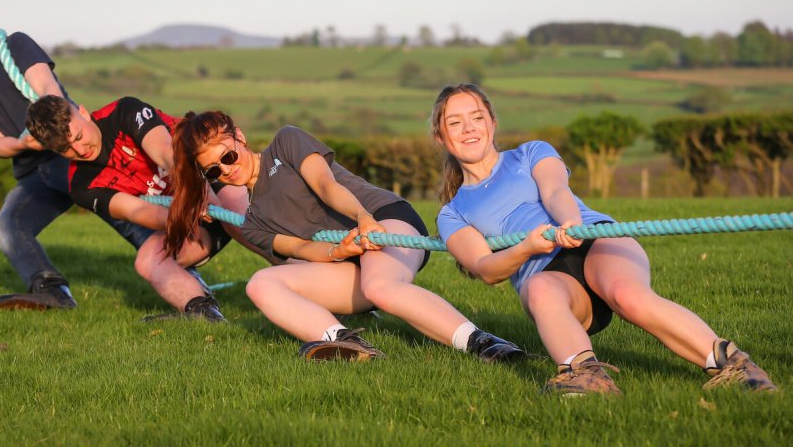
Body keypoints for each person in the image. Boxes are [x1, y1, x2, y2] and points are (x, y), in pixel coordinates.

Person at [430, 83, 777, 395]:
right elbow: (486, 268)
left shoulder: (531, 152)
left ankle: (734, 365)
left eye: (476, 117)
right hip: (545, 276)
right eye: (455, 122)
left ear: (492, 123)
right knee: (537, 289)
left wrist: (569, 222)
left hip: (593, 238)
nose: (469, 128)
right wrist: (526, 247)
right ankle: (585, 376)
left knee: (627, 295)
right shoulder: (452, 213)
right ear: (441, 137)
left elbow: (555, 190)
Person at [163, 111, 525, 362]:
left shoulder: (286, 142)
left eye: (228, 155)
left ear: (239, 137)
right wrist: (340, 250)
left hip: (384, 221)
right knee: (260, 284)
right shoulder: (253, 223)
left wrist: (362, 218)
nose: (228, 169)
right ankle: (346, 343)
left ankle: (479, 342)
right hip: (347, 257)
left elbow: (326, 185)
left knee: (380, 287)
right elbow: (302, 248)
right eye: (214, 170)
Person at [0, 0, 151, 310]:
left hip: (69, 154)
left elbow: (48, 88)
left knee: (118, 209)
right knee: (8, 226)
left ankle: (177, 269)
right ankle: (52, 291)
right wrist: (23, 143)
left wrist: (50, 130)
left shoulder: (16, 45)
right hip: (34, 172)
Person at [26, 95, 262, 321]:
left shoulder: (124, 111)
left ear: (83, 113)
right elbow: (138, 212)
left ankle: (292, 271)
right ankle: (203, 312)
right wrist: (186, 212)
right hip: (189, 217)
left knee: (237, 221)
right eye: (65, 149)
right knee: (147, 259)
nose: (79, 150)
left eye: (77, 137)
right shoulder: (81, 186)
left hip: (214, 176)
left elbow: (166, 154)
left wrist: (194, 195)